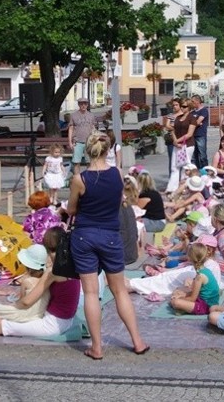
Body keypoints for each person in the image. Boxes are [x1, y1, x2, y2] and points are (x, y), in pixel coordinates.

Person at [66, 131, 149, 359]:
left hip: (84, 236)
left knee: (91, 292)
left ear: (87, 151)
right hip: (111, 235)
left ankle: (97, 347)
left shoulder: (79, 180)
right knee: (120, 290)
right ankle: (137, 341)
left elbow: (72, 209)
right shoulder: (117, 174)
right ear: (108, 150)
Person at [0, 244, 50, 323]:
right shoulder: (47, 278)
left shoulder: (27, 282)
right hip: (40, 313)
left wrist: (10, 306)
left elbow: (21, 303)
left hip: (26, 316)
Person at [169, 241, 221, 315]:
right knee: (177, 292)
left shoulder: (199, 276)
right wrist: (182, 295)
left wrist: (179, 298)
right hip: (209, 301)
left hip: (206, 306)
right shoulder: (205, 270)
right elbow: (197, 293)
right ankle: (184, 308)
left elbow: (192, 298)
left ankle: (183, 308)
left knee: (175, 302)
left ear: (190, 258)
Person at [166, 98, 196, 193]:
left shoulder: (192, 118)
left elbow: (189, 134)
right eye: (181, 106)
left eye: (184, 106)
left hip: (187, 145)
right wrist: (175, 141)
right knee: (174, 167)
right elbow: (172, 130)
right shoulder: (178, 118)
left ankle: (184, 188)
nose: (182, 108)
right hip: (177, 144)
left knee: (185, 167)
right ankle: (171, 188)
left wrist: (178, 141)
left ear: (189, 107)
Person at [68, 97, 97, 174]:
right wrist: (70, 142)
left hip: (89, 142)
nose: (83, 105)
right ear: (78, 105)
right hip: (77, 142)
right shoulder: (73, 115)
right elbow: (70, 128)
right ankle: (77, 178)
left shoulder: (91, 115)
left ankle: (89, 178)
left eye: (85, 103)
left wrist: (94, 140)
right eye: (81, 104)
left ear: (87, 105)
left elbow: (93, 128)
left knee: (89, 162)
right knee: (76, 162)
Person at [163, 98, 182, 176]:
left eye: (176, 105)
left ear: (180, 105)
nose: (174, 106)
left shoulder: (183, 115)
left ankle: (181, 178)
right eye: (173, 105)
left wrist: (173, 126)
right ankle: (172, 177)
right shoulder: (170, 115)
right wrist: (177, 127)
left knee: (182, 160)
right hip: (171, 140)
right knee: (172, 160)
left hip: (182, 140)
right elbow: (167, 126)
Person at [190, 94, 209, 170]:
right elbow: (193, 122)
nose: (191, 103)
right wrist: (196, 123)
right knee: (194, 155)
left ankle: (205, 171)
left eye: (193, 101)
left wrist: (196, 122)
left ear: (198, 101)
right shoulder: (192, 112)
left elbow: (198, 122)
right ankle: (196, 171)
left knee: (202, 155)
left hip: (200, 135)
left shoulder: (204, 110)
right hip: (192, 135)